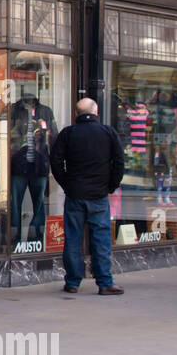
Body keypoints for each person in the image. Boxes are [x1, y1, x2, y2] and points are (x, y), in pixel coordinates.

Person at [50, 97, 125, 296]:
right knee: (101, 239)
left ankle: (73, 282)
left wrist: (66, 183)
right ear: (96, 112)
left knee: (72, 238)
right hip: (98, 194)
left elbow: (55, 161)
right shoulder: (108, 132)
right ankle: (104, 282)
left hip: (75, 194)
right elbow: (119, 162)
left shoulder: (68, 133)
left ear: (77, 114)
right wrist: (111, 186)